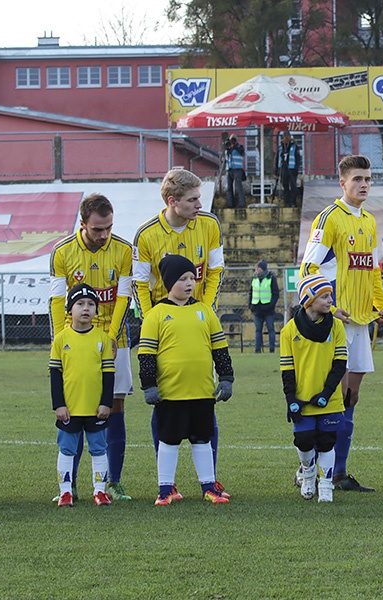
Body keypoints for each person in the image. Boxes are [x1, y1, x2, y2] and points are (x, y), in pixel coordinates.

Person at [299, 154, 383, 492]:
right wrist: (329, 307)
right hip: (335, 322)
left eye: (367, 179)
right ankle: (307, 469)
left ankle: (339, 472)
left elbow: (372, 269)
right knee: (327, 396)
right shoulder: (328, 219)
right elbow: (308, 270)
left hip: (361, 321)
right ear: (343, 182)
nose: (364, 184)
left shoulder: (368, 220)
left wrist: (382, 304)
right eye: (357, 179)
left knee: (350, 397)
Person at [133, 168, 226, 500]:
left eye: (199, 198)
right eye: (193, 199)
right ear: (173, 202)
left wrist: (207, 308)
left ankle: (209, 480)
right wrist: (151, 319)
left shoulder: (210, 225)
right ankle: (166, 482)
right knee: (165, 406)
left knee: (204, 400)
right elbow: (140, 283)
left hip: (198, 320)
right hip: (163, 326)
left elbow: (215, 270)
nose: (200, 204)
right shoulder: (146, 235)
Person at [49, 193, 134, 502]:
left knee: (114, 405)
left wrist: (111, 337)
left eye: (108, 227)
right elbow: (58, 302)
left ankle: (112, 483)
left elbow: (124, 297)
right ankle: (68, 489)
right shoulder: (62, 252)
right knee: (72, 408)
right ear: (82, 224)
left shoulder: (123, 250)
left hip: (114, 339)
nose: (104, 235)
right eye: (98, 229)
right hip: (74, 342)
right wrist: (63, 340)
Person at [138, 255, 234, 505]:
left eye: (192, 277)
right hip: (170, 393)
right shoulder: (156, 315)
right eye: (183, 278)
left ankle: (209, 487)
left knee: (202, 440)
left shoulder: (204, 311)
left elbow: (220, 349)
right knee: (168, 441)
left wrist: (226, 378)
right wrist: (149, 385)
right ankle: (165, 489)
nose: (189, 283)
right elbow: (146, 354)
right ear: (170, 283)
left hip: (201, 391)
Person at [280, 275, 347, 503]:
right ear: (309, 299)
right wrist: (291, 399)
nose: (331, 300)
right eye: (325, 296)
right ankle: (308, 474)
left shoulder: (336, 326)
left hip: (329, 399)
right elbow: (287, 369)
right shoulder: (289, 331)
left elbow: (340, 364)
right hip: (302, 399)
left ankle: (326, 484)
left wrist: (326, 393)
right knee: (304, 440)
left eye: (330, 295)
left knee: (327, 441)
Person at [49, 284, 114, 508]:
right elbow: (55, 376)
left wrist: (106, 403)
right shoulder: (60, 340)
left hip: (96, 407)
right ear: (70, 309)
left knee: (98, 449)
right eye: (80, 304)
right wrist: (59, 405)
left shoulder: (103, 340)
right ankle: (65, 492)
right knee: (67, 449)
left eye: (91, 304)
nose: (85, 308)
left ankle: (99, 491)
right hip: (70, 408)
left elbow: (108, 375)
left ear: (96, 310)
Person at [248, 258, 280, 353]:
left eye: (258, 268)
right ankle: (257, 349)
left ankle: (272, 349)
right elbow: (251, 292)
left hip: (268, 309)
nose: (256, 270)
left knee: (271, 329)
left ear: (263, 269)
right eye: (256, 268)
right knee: (258, 330)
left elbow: (275, 294)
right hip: (257, 309)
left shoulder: (271, 278)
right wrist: (250, 305)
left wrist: (270, 305)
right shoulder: (254, 278)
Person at [275, 131, 301, 207]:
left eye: (288, 136)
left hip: (292, 169)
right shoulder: (280, 148)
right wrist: (276, 171)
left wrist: (296, 168)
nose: (286, 138)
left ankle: (293, 202)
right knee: (285, 186)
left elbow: (298, 158)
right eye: (285, 136)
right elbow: (277, 159)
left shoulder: (294, 146)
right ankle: (287, 202)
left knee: (293, 186)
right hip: (283, 169)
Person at [224, 134, 246, 208]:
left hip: (237, 169)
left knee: (239, 187)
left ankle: (241, 203)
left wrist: (234, 146)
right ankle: (230, 203)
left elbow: (242, 152)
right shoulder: (228, 149)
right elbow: (226, 157)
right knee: (229, 188)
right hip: (229, 169)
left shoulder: (240, 147)